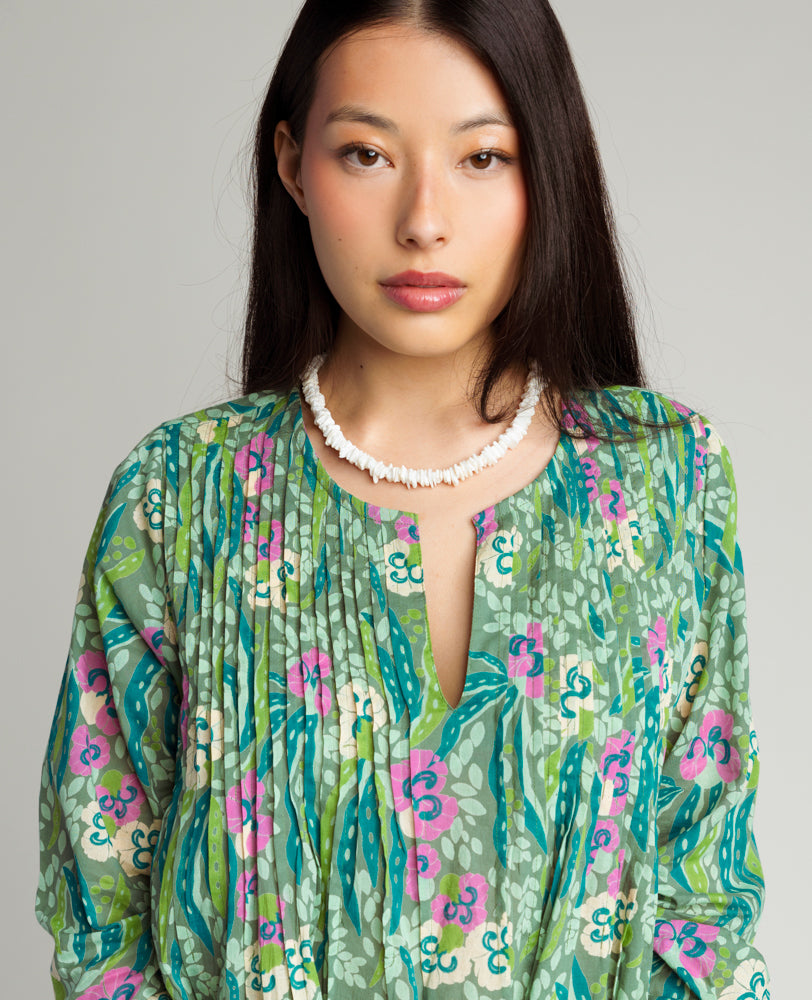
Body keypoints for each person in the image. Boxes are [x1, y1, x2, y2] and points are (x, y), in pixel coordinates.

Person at [35, 1, 770, 998]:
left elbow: (704, 917)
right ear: (293, 166)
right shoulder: (179, 497)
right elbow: (100, 913)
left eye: (483, 157)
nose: (424, 219)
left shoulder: (664, 482)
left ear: (548, 171)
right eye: (368, 155)